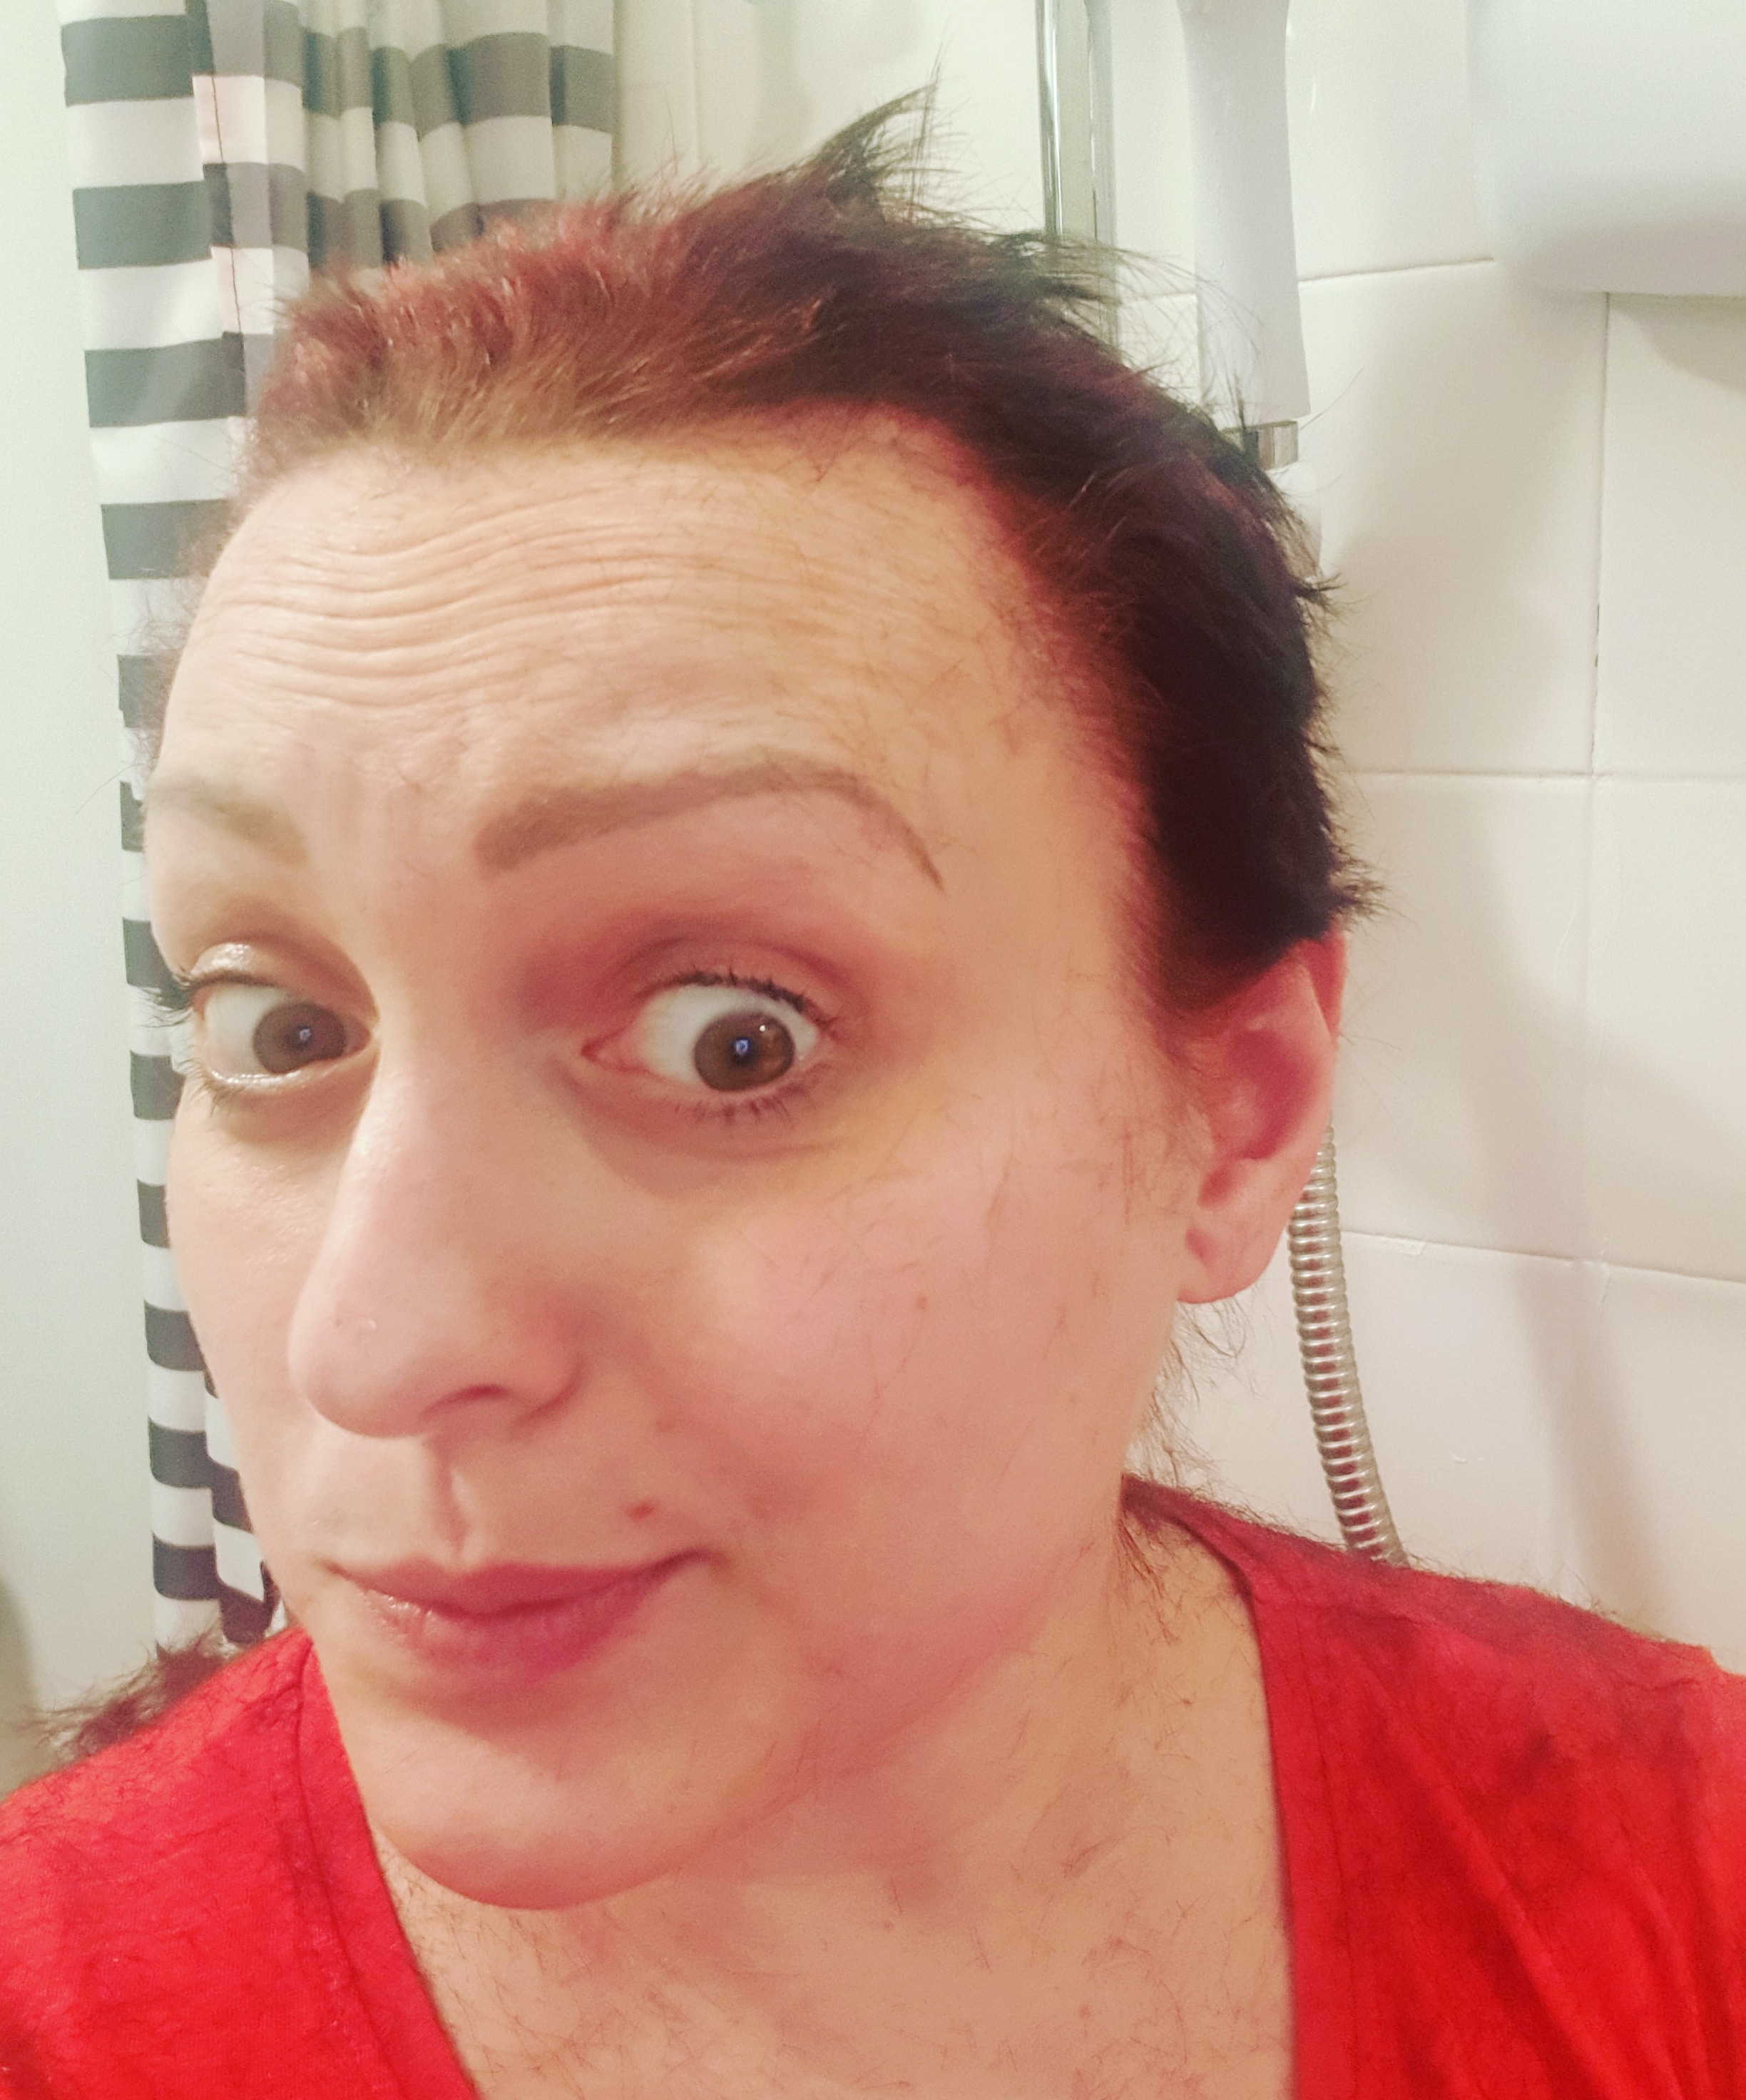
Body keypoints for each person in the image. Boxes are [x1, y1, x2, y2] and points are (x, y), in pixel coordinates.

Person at [1, 107, 1741, 2100]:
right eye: (278, 1026)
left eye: (732, 1037)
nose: (372, 1348)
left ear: (1237, 1114)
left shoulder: (1678, 1872)